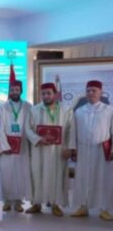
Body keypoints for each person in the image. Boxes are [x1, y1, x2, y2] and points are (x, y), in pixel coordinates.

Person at [24, 82, 75, 216]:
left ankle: (55, 204)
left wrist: (69, 148)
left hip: (58, 151)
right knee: (37, 175)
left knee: (57, 176)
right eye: (44, 94)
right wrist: (38, 139)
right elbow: (27, 129)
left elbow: (71, 130)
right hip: (39, 150)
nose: (46, 96)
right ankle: (36, 204)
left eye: (49, 93)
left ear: (55, 94)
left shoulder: (66, 110)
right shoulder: (34, 110)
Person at [69, 80, 113, 220]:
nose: (91, 93)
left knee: (103, 179)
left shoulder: (109, 110)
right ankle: (83, 207)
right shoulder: (79, 111)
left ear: (101, 92)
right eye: (88, 91)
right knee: (83, 178)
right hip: (83, 150)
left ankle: (105, 209)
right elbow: (73, 132)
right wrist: (73, 148)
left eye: (94, 90)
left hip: (102, 150)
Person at [0, 80, 33, 212]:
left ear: (21, 91)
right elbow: (0, 128)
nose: (14, 92)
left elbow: (31, 126)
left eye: (17, 90)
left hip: (22, 145)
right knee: (7, 173)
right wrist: (5, 145)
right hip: (8, 146)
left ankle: (18, 201)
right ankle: (6, 200)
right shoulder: (3, 107)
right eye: (12, 90)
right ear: (9, 91)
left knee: (21, 173)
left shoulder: (28, 107)